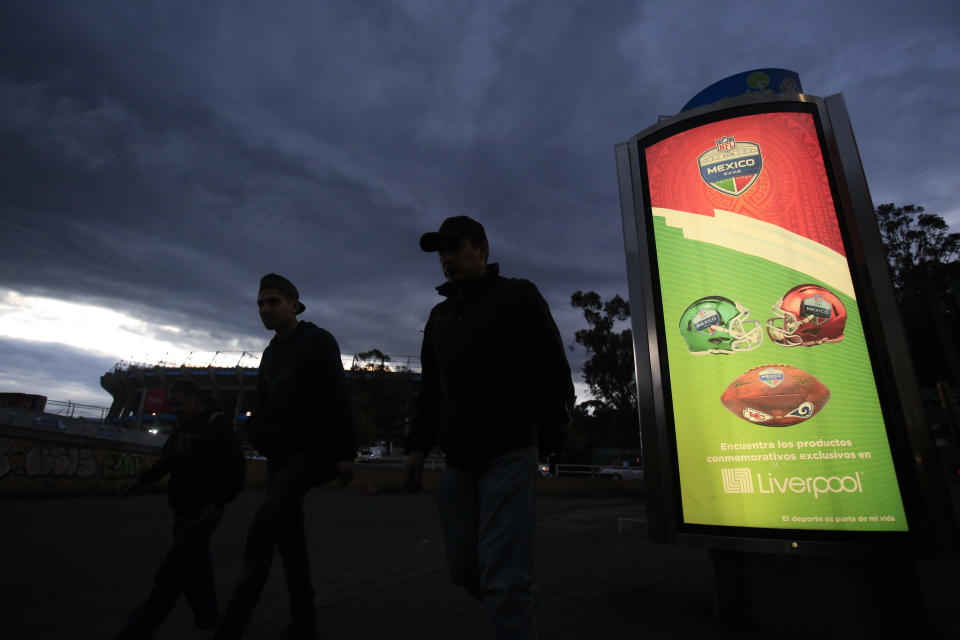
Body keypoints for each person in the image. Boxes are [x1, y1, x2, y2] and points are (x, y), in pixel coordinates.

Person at [404, 216, 575, 639]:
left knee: (502, 571)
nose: (446, 259)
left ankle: (514, 605)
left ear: (481, 249)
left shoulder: (517, 297)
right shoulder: (440, 316)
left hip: (510, 452)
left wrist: (548, 434)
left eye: (455, 248)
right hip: (460, 461)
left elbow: (553, 369)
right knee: (464, 569)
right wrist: (416, 448)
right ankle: (519, 601)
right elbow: (431, 389)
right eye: (440, 252)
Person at [215, 273, 356, 640]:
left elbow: (338, 395)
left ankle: (230, 629)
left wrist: (344, 453)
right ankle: (305, 624)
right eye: (261, 304)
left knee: (261, 532)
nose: (265, 310)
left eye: (273, 302)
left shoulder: (317, 341)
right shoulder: (271, 353)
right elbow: (263, 404)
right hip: (280, 456)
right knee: (288, 539)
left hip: (310, 452)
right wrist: (259, 436)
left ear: (295, 305)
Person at [117, 378, 246, 640]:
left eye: (179, 403)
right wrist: (141, 481)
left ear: (196, 400)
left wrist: (218, 503)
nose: (174, 409)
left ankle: (135, 633)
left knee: (170, 577)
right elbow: (167, 461)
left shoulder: (216, 425)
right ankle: (210, 620)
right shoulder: (182, 426)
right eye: (171, 403)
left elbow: (237, 469)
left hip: (202, 514)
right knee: (198, 569)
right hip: (182, 509)